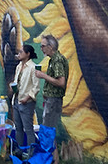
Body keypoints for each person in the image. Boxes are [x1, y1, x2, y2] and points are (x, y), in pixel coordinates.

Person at [35, 34, 68, 164]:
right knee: (49, 132)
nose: (41, 49)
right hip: (51, 100)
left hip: (54, 101)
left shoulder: (57, 60)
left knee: (47, 132)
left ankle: (49, 160)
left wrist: (43, 76)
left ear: (50, 47)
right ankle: (54, 160)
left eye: (43, 46)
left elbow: (61, 82)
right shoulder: (52, 59)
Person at [12, 44, 40, 158]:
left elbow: (36, 87)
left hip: (26, 102)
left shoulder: (33, 67)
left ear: (28, 54)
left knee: (28, 129)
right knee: (18, 128)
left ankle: (30, 153)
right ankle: (18, 151)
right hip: (16, 100)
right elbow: (16, 82)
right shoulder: (18, 66)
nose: (19, 54)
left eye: (21, 52)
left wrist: (27, 98)